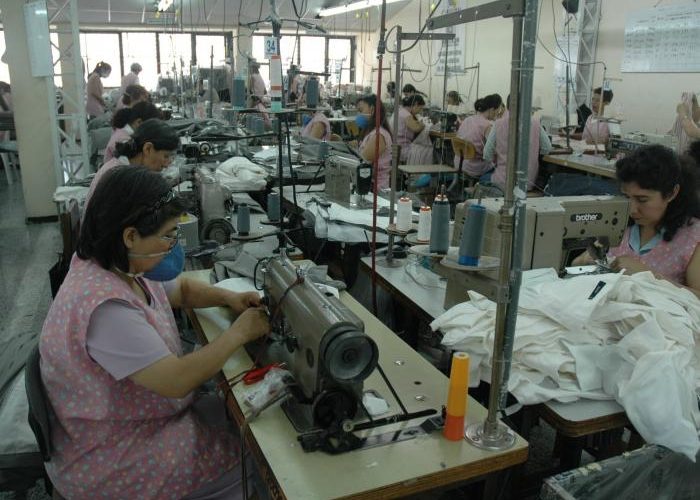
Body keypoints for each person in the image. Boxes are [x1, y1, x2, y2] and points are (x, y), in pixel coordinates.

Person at [40, 165, 270, 499]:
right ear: (130, 236)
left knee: (235, 418)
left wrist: (229, 298)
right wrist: (238, 334)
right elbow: (176, 380)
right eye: (167, 235)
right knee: (259, 462)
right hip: (112, 454)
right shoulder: (105, 308)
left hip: (134, 418)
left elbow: (182, 291)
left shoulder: (119, 265)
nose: (173, 244)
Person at [573, 145, 700, 296]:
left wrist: (650, 277)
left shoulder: (692, 237)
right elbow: (578, 264)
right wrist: (582, 263)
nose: (632, 209)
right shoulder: (618, 222)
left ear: (671, 193)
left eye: (642, 199)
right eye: (626, 197)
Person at [86, 118, 178, 208]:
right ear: (148, 149)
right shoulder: (121, 177)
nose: (166, 165)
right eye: (166, 156)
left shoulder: (124, 167)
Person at [483, 95, 552, 191]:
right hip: (528, 184)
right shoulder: (536, 123)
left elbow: (487, 154)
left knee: (483, 178)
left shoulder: (498, 124)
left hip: (504, 183)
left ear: (507, 106)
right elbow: (547, 148)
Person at [453, 94, 503, 178]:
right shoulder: (488, 125)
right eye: (498, 111)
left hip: (459, 163)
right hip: (473, 168)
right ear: (492, 110)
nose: (498, 114)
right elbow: (492, 150)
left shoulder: (467, 119)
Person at [356, 94, 393, 189]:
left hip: (376, 189)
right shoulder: (371, 132)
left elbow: (363, 161)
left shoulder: (379, 135)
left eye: (361, 111)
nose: (359, 115)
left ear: (372, 110)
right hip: (367, 184)